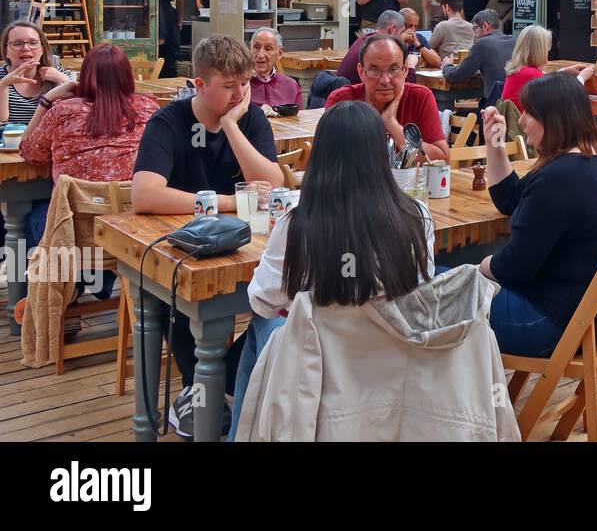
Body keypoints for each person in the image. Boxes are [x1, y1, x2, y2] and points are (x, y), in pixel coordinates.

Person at [230, 99, 439, 437]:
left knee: (262, 330)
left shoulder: (297, 224)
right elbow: (421, 286)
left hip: (315, 368)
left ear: (321, 154)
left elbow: (262, 300)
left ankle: (244, 431)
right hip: (392, 359)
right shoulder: (416, 216)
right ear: (382, 153)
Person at [131, 35, 284, 438]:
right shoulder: (170, 122)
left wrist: (232, 126)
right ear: (199, 85)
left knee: (278, 306)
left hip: (248, 248)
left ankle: (211, 389)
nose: (240, 93)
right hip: (183, 249)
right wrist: (229, 202)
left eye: (245, 83)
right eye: (229, 85)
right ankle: (197, 392)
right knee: (182, 306)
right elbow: (144, 194)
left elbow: (272, 182)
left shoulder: (248, 118)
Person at [478, 71, 597, 356]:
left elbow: (514, 269)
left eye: (529, 114)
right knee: (445, 290)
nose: (520, 121)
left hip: (550, 323)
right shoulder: (592, 163)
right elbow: (510, 199)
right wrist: (494, 143)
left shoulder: (558, 178)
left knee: (438, 292)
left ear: (553, 118)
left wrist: (478, 268)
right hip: (586, 320)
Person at [18, 43, 158, 309]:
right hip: (134, 233)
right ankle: (95, 280)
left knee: (32, 216)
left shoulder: (62, 111)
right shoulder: (149, 109)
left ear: (84, 76)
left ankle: (51, 298)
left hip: (74, 238)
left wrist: (47, 100)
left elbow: (29, 151)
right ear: (127, 77)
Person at [325, 33, 449, 162]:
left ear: (405, 70)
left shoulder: (419, 97)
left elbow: (442, 159)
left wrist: (392, 125)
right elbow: (331, 160)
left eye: (393, 69)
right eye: (375, 70)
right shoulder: (342, 100)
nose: (385, 80)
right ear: (361, 72)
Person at [0, 22, 69, 251]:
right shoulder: (1, 77)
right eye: (17, 43)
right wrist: (3, 86)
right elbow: (2, 123)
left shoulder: (59, 77)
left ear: (43, 48)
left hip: (46, 159)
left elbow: (80, 110)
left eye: (32, 43)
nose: (25, 49)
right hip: (8, 159)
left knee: (39, 209)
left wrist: (60, 80)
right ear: (6, 51)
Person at [441, 9, 515, 105]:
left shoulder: (482, 43)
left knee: (452, 114)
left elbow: (456, 75)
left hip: (494, 108)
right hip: (513, 107)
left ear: (485, 26)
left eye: (475, 29)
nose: (474, 34)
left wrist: (447, 66)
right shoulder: (513, 41)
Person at [337, 10, 415, 84]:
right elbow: (402, 84)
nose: (402, 36)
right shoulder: (380, 48)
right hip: (356, 96)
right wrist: (411, 65)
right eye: (401, 32)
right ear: (393, 29)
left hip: (342, 93)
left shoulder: (364, 39)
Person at [500, 24, 551, 110]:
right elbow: (559, 99)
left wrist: (563, 71)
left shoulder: (520, 70)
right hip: (522, 123)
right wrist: (581, 77)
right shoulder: (531, 74)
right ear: (540, 50)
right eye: (547, 47)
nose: (548, 50)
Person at [248, 28, 301, 109]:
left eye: (268, 49)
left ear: (279, 53)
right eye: (256, 47)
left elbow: (297, 119)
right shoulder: (240, 84)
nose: (260, 55)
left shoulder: (291, 86)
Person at [426, 0, 475, 65]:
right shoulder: (472, 27)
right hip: (468, 68)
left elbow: (428, 49)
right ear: (461, 8)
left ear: (446, 7)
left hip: (447, 69)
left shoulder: (442, 26)